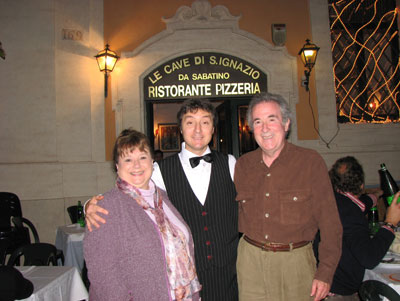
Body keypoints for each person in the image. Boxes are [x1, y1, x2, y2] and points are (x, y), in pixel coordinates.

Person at [85, 99, 239, 300]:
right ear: (181, 129)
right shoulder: (158, 172)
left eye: (205, 122)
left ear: (213, 129)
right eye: (190, 122)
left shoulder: (230, 163)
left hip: (226, 277)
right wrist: (90, 205)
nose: (198, 130)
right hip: (178, 280)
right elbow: (129, 193)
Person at [234, 92, 343, 301]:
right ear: (251, 129)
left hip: (296, 264)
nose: (265, 129)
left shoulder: (310, 162)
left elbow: (331, 224)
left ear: (286, 124)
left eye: (271, 119)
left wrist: (325, 272)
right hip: (251, 263)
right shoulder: (243, 165)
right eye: (258, 122)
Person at [83, 129, 201, 300]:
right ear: (117, 166)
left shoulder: (163, 198)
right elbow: (103, 276)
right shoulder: (106, 206)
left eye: (142, 157)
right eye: (128, 159)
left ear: (152, 161)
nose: (136, 165)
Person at [325, 156, 400, 300]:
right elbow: (369, 259)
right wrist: (390, 223)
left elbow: (361, 205)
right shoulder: (350, 213)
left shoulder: (335, 201)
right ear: (361, 186)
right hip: (338, 293)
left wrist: (376, 195)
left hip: (327, 284)